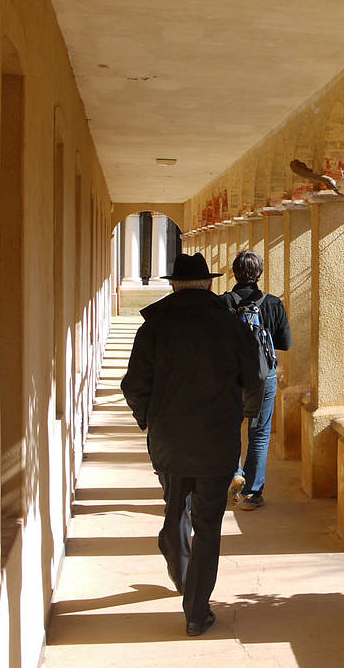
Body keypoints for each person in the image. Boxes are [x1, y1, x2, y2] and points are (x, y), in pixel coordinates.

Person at [121, 252, 264, 636]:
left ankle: (182, 573)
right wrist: (242, 417)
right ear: (209, 284)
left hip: (168, 438)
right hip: (217, 439)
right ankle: (196, 611)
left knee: (174, 508)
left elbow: (133, 386)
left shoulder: (153, 326)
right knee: (208, 524)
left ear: (172, 285)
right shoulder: (231, 325)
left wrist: (149, 420)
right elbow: (255, 381)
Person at [221, 250, 291, 511]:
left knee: (229, 428)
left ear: (234, 272)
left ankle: (234, 473)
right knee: (259, 434)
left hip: (229, 376)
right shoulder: (272, 303)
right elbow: (285, 343)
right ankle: (252, 495)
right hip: (264, 375)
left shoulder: (223, 303)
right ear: (259, 273)